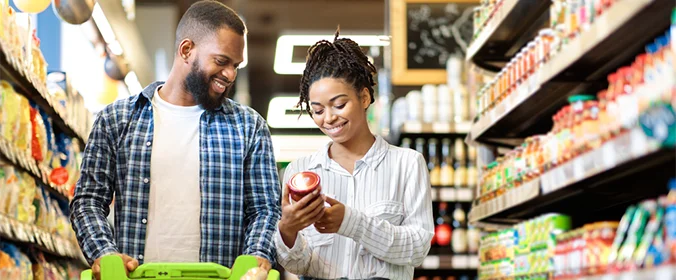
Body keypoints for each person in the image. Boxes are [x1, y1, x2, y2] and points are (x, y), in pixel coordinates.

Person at [69, 0, 281, 278]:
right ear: (186, 50)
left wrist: (257, 255)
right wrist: (105, 253)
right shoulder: (116, 120)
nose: (230, 74)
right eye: (221, 61)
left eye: (236, 65)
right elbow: (88, 201)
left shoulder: (249, 126)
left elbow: (265, 209)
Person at [275, 29, 434, 279]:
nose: (329, 118)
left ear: (364, 96)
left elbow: (418, 248)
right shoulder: (300, 172)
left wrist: (351, 223)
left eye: (339, 105)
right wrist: (288, 230)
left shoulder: (407, 164)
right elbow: (299, 264)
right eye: (317, 110)